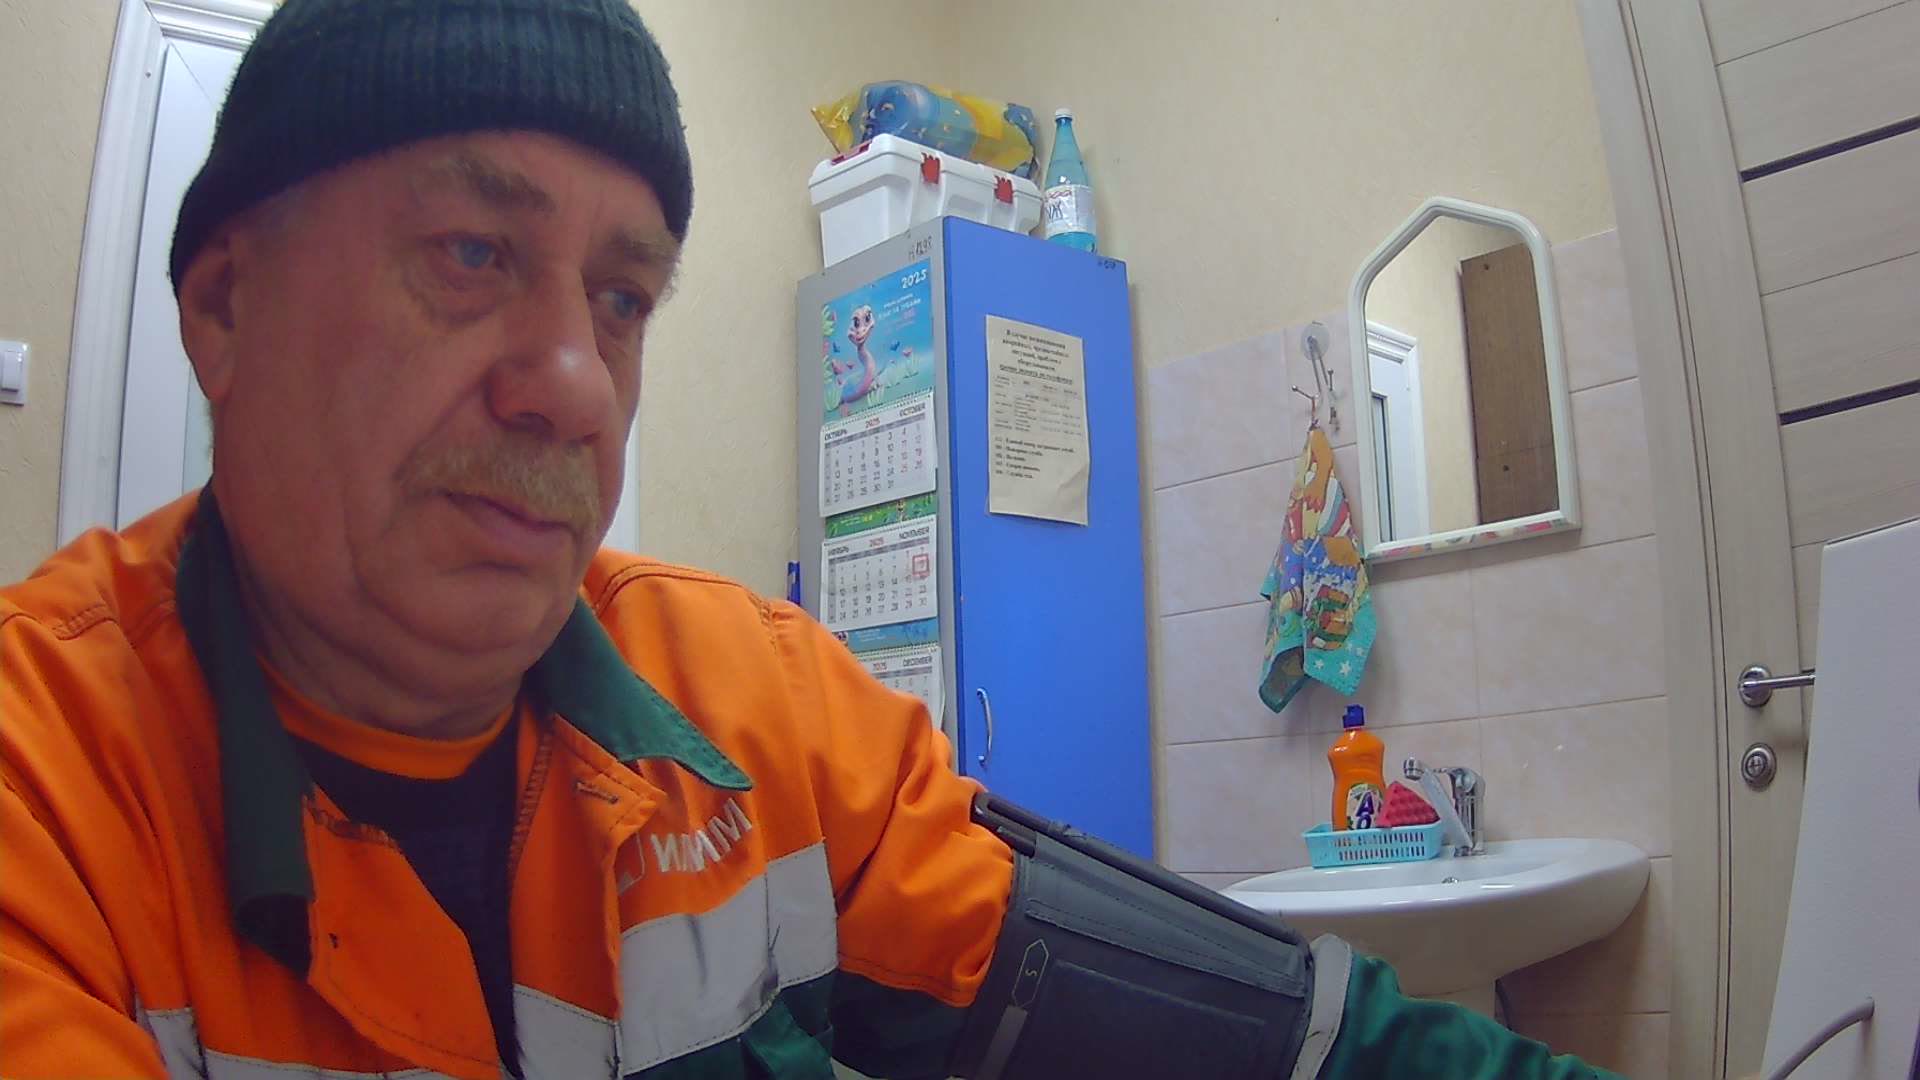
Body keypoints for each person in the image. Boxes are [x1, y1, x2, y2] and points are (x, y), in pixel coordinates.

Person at [0, 2, 1623, 1077]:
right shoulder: (43, 789)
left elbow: (1272, 1041)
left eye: (622, 298)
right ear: (226, 306)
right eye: (473, 252)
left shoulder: (755, 706)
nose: (576, 381)